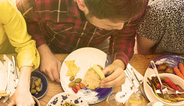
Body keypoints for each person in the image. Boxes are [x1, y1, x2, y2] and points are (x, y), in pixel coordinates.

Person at [17, 0, 147, 86]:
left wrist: (119, 63)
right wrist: (43, 49)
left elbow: (125, 33)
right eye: (110, 24)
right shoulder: (42, 2)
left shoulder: (135, 3)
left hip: (97, 45)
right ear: (82, 3)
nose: (120, 27)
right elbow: (24, 19)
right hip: (51, 43)